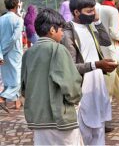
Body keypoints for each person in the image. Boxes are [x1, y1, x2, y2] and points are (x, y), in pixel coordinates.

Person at [61, 0, 118, 145]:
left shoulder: (90, 26)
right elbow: (71, 67)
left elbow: (106, 41)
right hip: (83, 88)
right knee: (84, 132)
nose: (93, 13)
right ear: (76, 12)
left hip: (97, 85)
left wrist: (98, 22)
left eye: (94, 10)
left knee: (99, 129)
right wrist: (97, 65)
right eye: (89, 11)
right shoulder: (68, 34)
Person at [21, 8, 83, 145]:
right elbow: (71, 86)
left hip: (38, 119)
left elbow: (24, 88)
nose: (62, 34)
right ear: (52, 30)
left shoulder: (28, 53)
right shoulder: (58, 50)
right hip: (60, 119)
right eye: (61, 30)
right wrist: (75, 100)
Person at [0, 0, 23, 111]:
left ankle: (17, 102)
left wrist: (1, 53)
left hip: (2, 54)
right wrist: (5, 49)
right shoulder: (18, 19)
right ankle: (3, 97)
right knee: (17, 79)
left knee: (9, 79)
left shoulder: (1, 19)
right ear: (16, 6)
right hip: (14, 52)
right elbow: (14, 38)